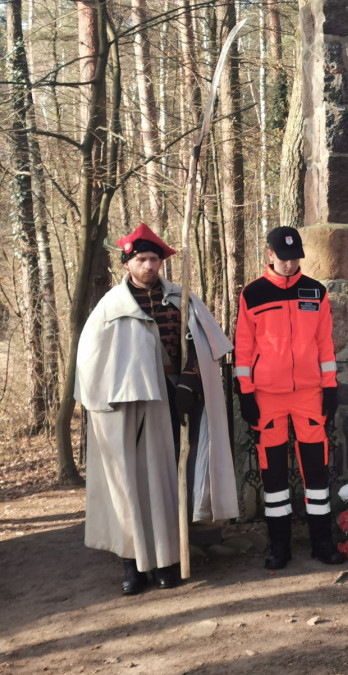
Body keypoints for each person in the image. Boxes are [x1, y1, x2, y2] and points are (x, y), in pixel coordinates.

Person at [76, 223, 239, 595]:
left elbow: (204, 348)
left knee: (168, 482)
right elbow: (92, 366)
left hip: (174, 402)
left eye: (154, 260)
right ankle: (132, 565)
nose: (149, 266)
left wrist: (188, 382)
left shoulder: (182, 300)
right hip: (129, 412)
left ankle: (167, 560)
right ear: (127, 264)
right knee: (132, 486)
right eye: (142, 259)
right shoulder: (110, 310)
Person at [234, 226, 343, 569]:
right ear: (269, 255)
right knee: (274, 474)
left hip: (310, 394)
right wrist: (245, 394)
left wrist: (330, 386)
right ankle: (278, 547)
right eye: (283, 258)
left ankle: (322, 543)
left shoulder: (316, 291)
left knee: (316, 470)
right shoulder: (252, 294)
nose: (289, 263)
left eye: (295, 258)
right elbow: (243, 348)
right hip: (268, 397)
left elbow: (325, 344)